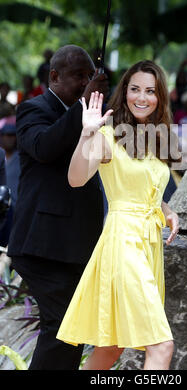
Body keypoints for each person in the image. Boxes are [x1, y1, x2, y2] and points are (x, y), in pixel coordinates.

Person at [57, 60, 180, 370]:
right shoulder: (108, 136)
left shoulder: (157, 138)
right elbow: (75, 178)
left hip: (149, 243)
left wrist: (166, 210)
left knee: (110, 349)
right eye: (135, 89)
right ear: (125, 92)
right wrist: (87, 135)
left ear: (159, 97)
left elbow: (143, 183)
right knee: (161, 345)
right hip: (124, 242)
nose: (142, 97)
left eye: (150, 91)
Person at [7, 44, 109, 370]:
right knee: (63, 325)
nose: (84, 82)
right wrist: (82, 109)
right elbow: (44, 146)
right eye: (78, 76)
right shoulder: (33, 109)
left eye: (89, 76)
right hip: (42, 245)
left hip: (75, 245)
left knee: (73, 328)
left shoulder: (93, 114)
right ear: (54, 76)